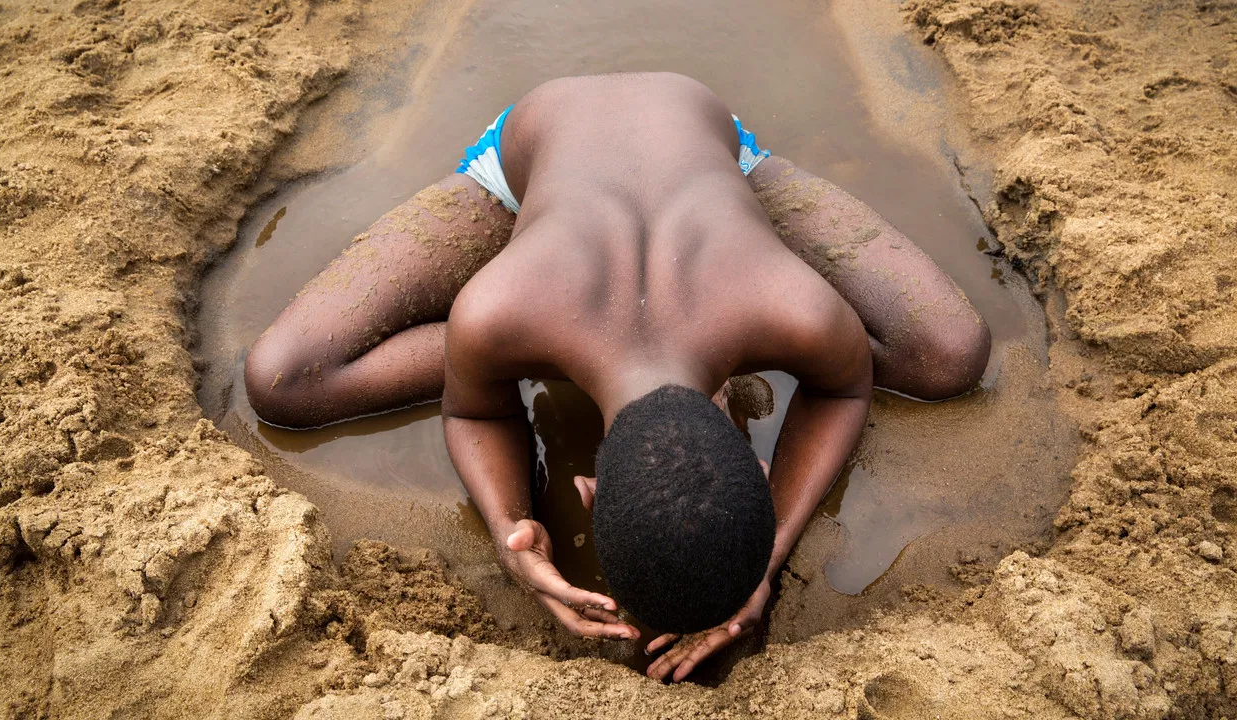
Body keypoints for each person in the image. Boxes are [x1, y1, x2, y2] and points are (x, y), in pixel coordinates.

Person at [243, 72, 990, 682]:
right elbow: (474, 415)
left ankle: (548, 358)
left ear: (587, 491)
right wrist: (511, 530)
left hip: (705, 146)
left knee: (948, 355)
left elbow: (844, 387)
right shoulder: (502, 307)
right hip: (530, 154)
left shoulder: (789, 306)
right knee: (284, 383)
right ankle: (540, 350)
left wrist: (769, 555)